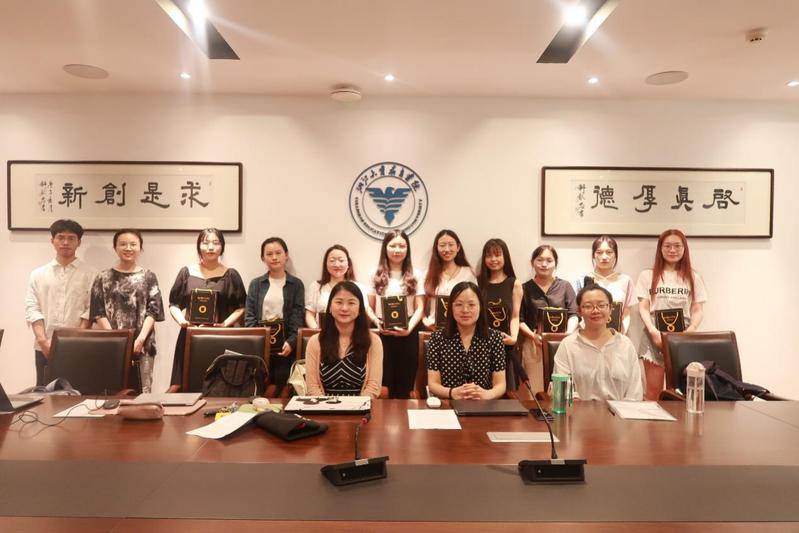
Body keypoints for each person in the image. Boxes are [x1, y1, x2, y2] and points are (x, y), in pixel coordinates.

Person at [168, 228, 247, 389]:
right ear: (198, 247)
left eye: (216, 243)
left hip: (220, 336)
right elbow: (174, 304)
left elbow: (241, 307)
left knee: (218, 384)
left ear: (222, 247)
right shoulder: (186, 273)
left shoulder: (230, 275)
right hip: (189, 335)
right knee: (187, 381)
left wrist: (224, 324)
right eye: (205, 243)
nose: (210, 247)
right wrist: (182, 321)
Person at [90, 229, 165, 393]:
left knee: (143, 390)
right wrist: (116, 340)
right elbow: (98, 312)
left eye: (133, 244)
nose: (128, 248)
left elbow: (154, 311)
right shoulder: (103, 277)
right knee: (112, 391)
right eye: (123, 244)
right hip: (112, 345)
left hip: (143, 345)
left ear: (140, 248)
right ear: (115, 247)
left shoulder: (149, 276)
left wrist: (141, 339)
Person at [636, 228, 707, 400]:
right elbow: (643, 307)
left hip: (683, 337)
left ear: (684, 248)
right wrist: (653, 331)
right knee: (653, 393)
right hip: (653, 336)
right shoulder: (647, 275)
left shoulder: (693, 277)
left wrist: (691, 330)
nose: (672, 250)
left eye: (677, 246)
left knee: (679, 393)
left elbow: (697, 309)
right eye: (667, 246)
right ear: (660, 248)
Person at [25, 219, 95, 386]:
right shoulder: (38, 274)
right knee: (45, 393)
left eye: (71, 238)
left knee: (79, 392)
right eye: (61, 237)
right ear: (52, 240)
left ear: (79, 242)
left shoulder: (92, 274)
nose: (65, 242)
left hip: (80, 346)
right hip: (44, 346)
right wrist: (43, 341)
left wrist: (76, 340)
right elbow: (32, 308)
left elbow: (90, 309)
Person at [553, 285, 643, 401]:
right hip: (581, 411)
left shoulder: (625, 345)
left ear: (610, 309)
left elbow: (634, 393)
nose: (596, 311)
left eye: (601, 305)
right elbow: (562, 392)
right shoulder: (568, 345)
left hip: (620, 411)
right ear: (579, 311)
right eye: (588, 306)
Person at [368, 230, 424, 399]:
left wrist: (409, 328)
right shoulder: (374, 274)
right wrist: (376, 323)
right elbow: (369, 307)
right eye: (392, 246)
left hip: (409, 333)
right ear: (385, 247)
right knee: (383, 386)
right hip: (383, 333)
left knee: (405, 386)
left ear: (407, 248)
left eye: (402, 246)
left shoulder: (416, 274)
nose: (397, 250)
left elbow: (420, 307)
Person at [245, 237, 304, 395]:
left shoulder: (296, 284)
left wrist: (291, 342)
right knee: (259, 390)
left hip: (286, 347)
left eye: (278, 253)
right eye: (269, 254)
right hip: (260, 348)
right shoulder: (256, 284)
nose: (274, 257)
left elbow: (298, 315)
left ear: (286, 255)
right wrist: (258, 342)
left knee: (282, 389)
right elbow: (249, 316)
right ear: (262, 258)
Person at [426, 281, 506, 400]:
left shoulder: (495, 338)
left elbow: (500, 384)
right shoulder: (437, 339)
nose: (465, 310)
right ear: (451, 307)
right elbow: (433, 384)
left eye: (471, 304)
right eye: (459, 304)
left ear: (480, 307)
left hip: (483, 405)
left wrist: (488, 394)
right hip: (449, 403)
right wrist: (452, 393)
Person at [305, 281, 383, 398]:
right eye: (339, 302)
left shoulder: (373, 341)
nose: (344, 308)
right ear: (330, 307)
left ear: (360, 309)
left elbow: (373, 386)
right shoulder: (315, 342)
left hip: (362, 406)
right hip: (323, 406)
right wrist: (327, 406)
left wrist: (356, 406)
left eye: (351, 303)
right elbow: (312, 387)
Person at [518, 244, 578, 394]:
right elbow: (519, 319)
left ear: (555, 263)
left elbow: (574, 314)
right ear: (532, 262)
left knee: (561, 390)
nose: (544, 264)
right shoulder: (524, 288)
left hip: (563, 344)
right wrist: (533, 336)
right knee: (535, 389)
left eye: (549, 260)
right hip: (534, 344)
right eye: (539, 260)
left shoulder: (565, 286)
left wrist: (567, 335)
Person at [476, 238, 522, 389]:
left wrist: (513, 338)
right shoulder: (478, 282)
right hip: (481, 345)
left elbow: (515, 315)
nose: (493, 259)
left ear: (505, 257)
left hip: (505, 346)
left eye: (497, 255)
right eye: (489, 255)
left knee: (507, 392)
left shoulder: (514, 283)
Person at [573, 235, 636, 334]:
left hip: (617, 336)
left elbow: (626, 314)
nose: (604, 257)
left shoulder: (626, 280)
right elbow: (579, 312)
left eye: (609, 252)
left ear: (615, 255)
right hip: (589, 335)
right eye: (599, 252)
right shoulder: (582, 280)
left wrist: (621, 335)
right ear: (593, 255)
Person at [305, 244, 376, 328]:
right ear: (326, 264)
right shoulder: (316, 286)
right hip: (323, 333)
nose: (337, 264)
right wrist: (317, 331)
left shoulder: (358, 287)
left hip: (351, 334)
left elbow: (366, 310)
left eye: (341, 260)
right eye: (332, 260)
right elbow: (310, 314)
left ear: (348, 264)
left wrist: (376, 320)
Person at [422, 229, 476, 329]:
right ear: (436, 248)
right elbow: (421, 306)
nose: (447, 249)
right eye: (442, 245)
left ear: (458, 247)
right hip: (434, 330)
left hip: (460, 330)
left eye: (451, 245)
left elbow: (475, 303)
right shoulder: (428, 274)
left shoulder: (468, 273)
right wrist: (425, 321)